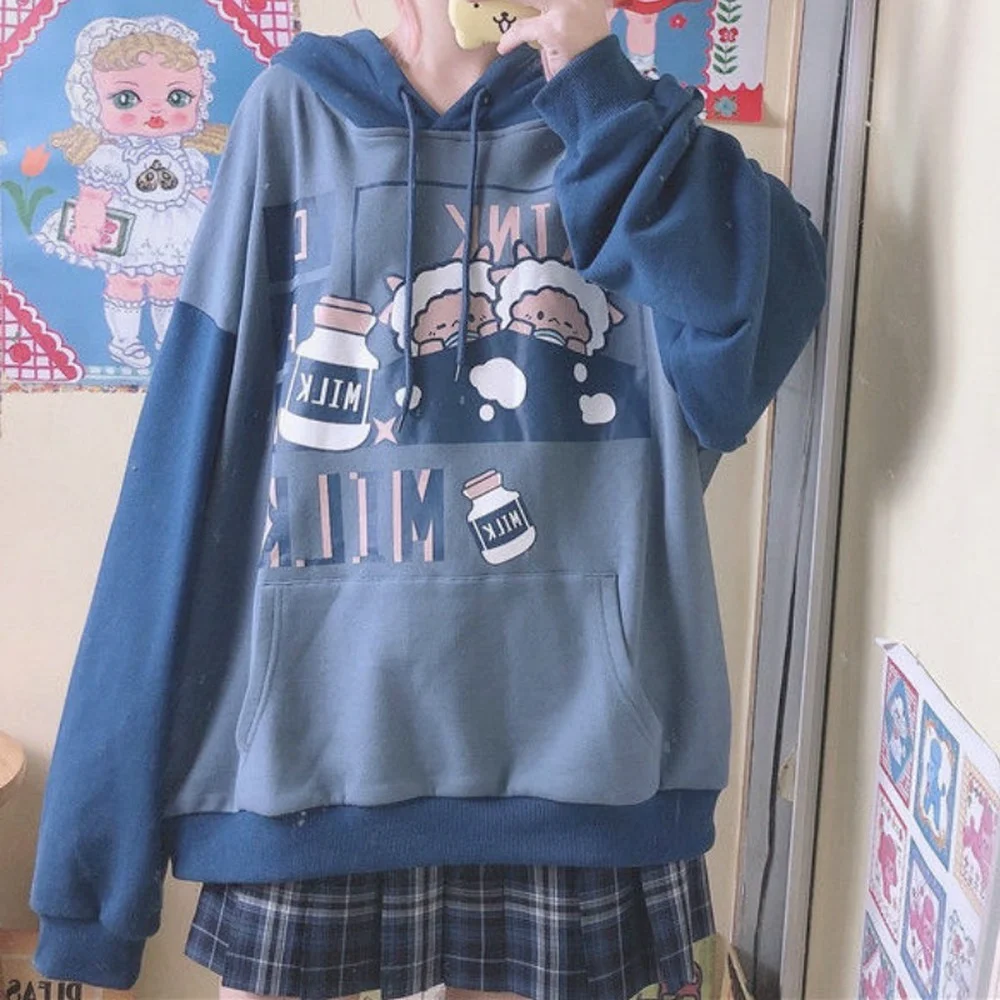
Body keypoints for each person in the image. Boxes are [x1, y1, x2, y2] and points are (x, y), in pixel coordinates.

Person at [27, 1, 828, 998]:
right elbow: (184, 453)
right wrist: (94, 880)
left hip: (586, 772)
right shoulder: (293, 113)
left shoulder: (621, 122)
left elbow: (762, 312)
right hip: (310, 763)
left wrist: (593, 82)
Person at [35, 15, 227, 372]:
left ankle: (169, 340)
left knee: (171, 282)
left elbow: (203, 192)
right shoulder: (110, 155)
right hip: (129, 227)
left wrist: (221, 219)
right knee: (126, 281)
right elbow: (95, 194)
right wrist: (88, 226)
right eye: (126, 99)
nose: (155, 110)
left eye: (177, 97)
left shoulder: (189, 155)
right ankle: (124, 341)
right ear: (94, 102)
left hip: (177, 227)